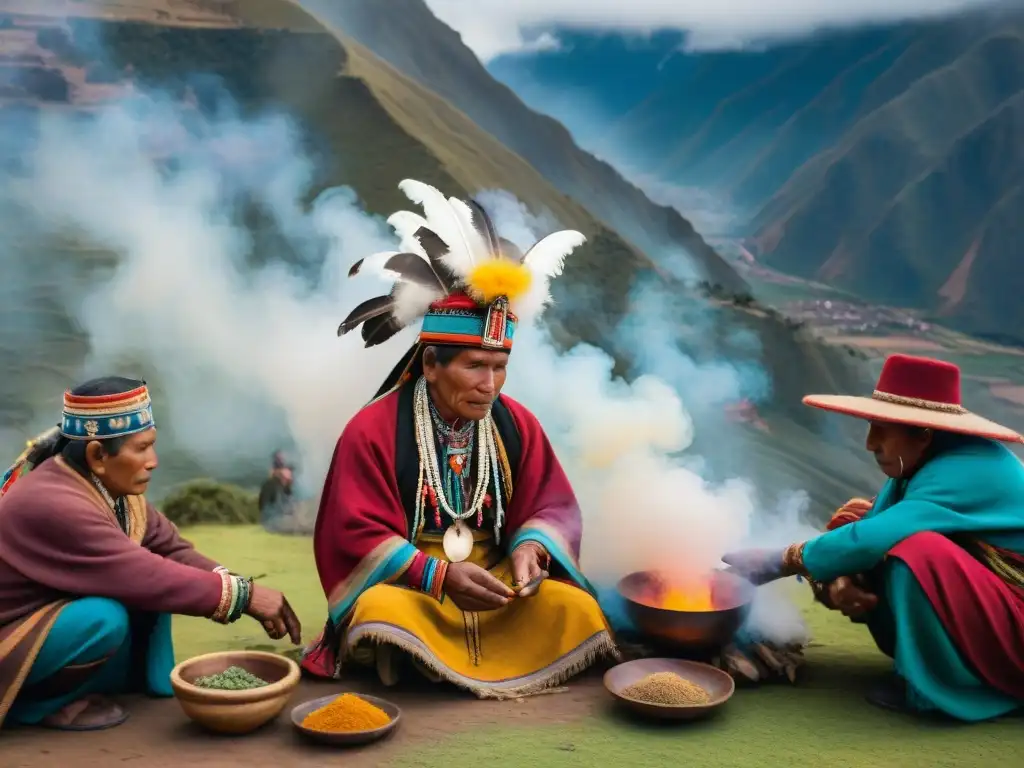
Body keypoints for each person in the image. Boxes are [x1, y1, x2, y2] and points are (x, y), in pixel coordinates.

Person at [301, 179, 618, 697]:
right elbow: (352, 532)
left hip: (496, 584)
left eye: (500, 367)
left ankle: (423, 667)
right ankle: (414, 653)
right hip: (413, 588)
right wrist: (438, 577)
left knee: (576, 608)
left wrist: (530, 550)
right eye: (474, 366)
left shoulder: (516, 425)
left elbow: (551, 504)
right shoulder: (373, 430)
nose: (489, 384)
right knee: (381, 612)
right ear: (430, 363)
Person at [723, 354, 1024, 721]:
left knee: (917, 550)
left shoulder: (967, 468)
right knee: (854, 517)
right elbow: (863, 532)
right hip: (998, 610)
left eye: (882, 429)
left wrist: (781, 560)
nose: (870, 443)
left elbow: (874, 540)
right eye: (871, 427)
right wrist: (840, 581)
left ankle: (943, 690)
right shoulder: (921, 463)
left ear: (924, 434)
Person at [0, 377, 302, 731]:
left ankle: (129, 683)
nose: (153, 461)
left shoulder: (111, 491)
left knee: (136, 600)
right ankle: (33, 706)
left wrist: (238, 585)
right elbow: (141, 573)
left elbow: (171, 550)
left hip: (49, 627)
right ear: (98, 455)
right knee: (103, 617)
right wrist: (245, 597)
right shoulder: (55, 503)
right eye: (141, 448)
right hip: (12, 636)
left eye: (152, 446)